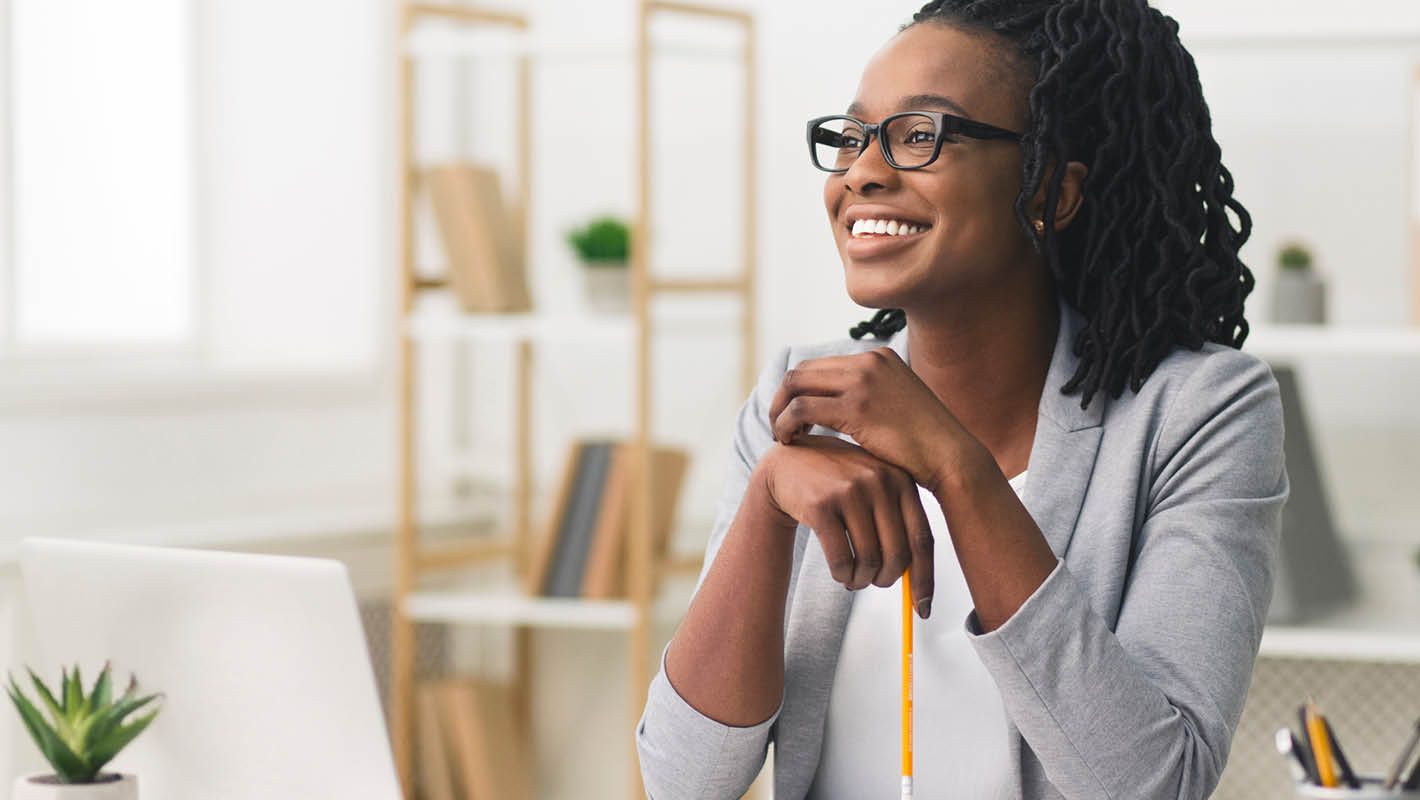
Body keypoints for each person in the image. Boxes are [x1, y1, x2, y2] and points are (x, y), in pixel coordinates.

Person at [636, 1, 1287, 798]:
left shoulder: (1200, 411)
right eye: (852, 136)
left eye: (920, 136)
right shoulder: (798, 399)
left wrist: (954, 463)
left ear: (1050, 189)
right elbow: (681, 780)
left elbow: (1154, 783)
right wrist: (767, 507)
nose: (863, 172)